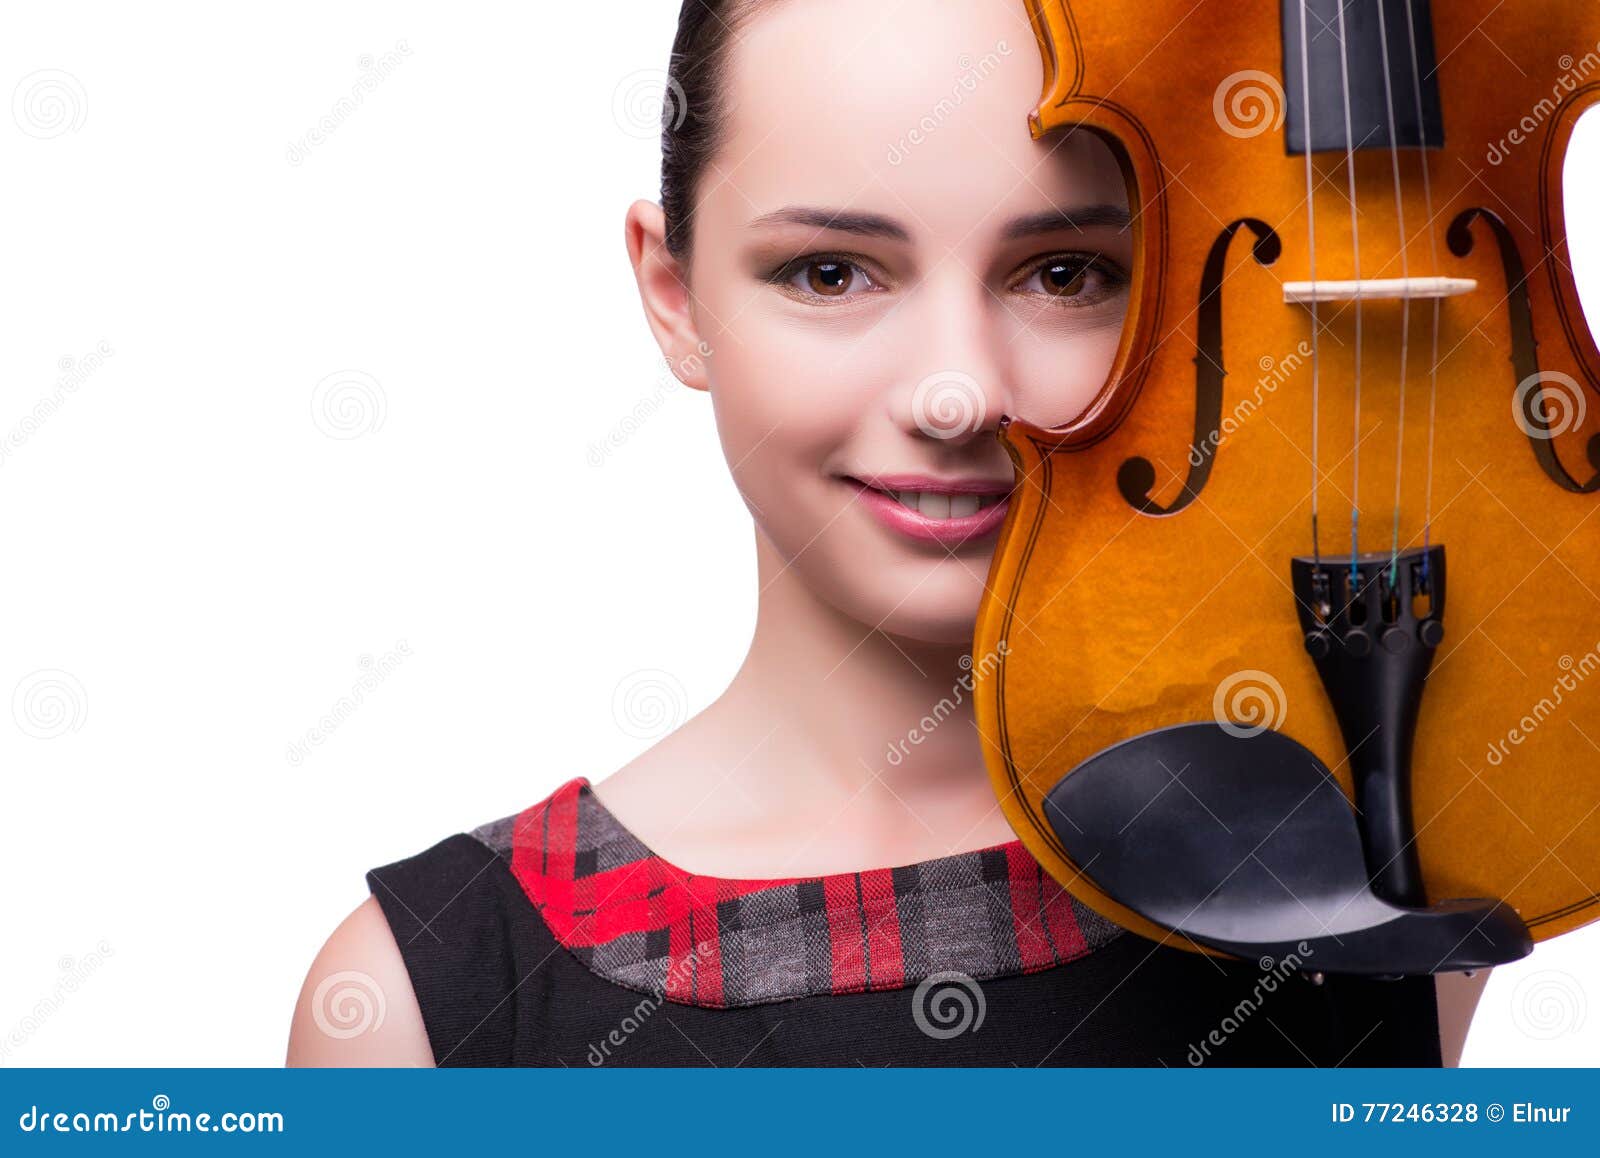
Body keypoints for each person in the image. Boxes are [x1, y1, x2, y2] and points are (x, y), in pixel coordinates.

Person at [287, 0, 1480, 1067]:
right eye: (830, 273)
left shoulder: (1396, 861)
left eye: (1066, 274)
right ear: (674, 296)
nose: (956, 393)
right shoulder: (413, 1008)